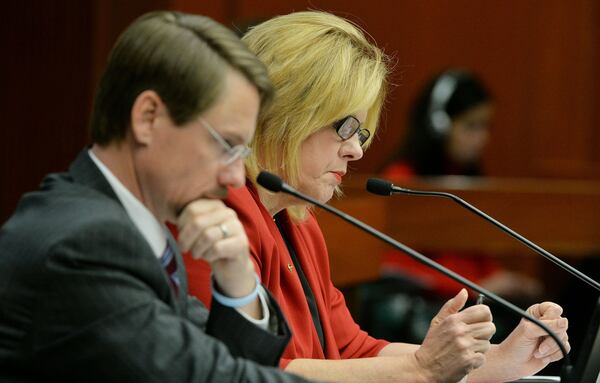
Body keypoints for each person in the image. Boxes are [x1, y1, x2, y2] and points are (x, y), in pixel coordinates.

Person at [181, 11, 570, 383]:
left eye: (361, 132)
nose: (357, 151)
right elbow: (246, 373)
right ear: (286, 111)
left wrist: (498, 362)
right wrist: (420, 370)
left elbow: (352, 350)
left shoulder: (298, 219)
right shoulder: (216, 216)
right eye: (345, 126)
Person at [0, 11, 323, 383]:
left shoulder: (135, 230)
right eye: (227, 146)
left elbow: (220, 358)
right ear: (148, 117)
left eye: (242, 154)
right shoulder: (85, 243)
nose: (236, 176)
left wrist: (237, 278)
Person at [375, 70, 543, 341]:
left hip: (469, 297)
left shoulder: (467, 179)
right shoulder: (400, 181)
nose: (482, 137)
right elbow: (395, 268)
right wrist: (478, 285)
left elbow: (472, 251)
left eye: (486, 126)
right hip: (435, 306)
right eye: (471, 126)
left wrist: (500, 278)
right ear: (438, 125)